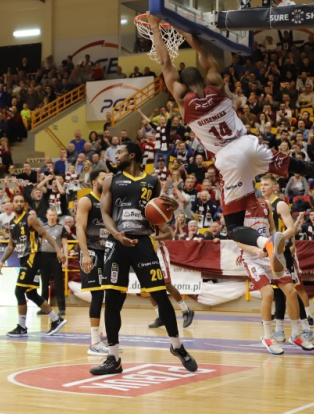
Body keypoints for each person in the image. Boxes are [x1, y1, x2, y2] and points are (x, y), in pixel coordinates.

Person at [147, 14, 314, 281]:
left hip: (227, 158)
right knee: (302, 167)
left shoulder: (181, 99)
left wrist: (156, 26)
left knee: (235, 226)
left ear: (181, 83)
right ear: (203, 76)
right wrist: (184, 25)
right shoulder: (216, 83)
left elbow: (165, 61)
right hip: (248, 144)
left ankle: (266, 243)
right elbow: (202, 48)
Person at [93, 141, 197, 375]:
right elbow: (105, 214)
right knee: (112, 300)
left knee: (161, 295)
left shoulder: (153, 182)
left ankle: (178, 346)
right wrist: (117, 236)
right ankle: (114, 358)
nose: (115, 155)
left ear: (132, 155)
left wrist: (170, 209)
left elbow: (159, 215)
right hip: (117, 243)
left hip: (143, 243)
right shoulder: (110, 180)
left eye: (119, 152)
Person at [236, 193, 313, 355]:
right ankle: (268, 336)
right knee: (269, 293)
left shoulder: (265, 205)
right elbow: (237, 238)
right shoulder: (238, 209)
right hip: (252, 257)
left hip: (268, 253)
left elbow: (272, 230)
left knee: (291, 292)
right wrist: (255, 250)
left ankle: (296, 334)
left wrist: (274, 246)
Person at [0, 195, 67, 337]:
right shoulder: (11, 223)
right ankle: (56, 319)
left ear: (25, 204)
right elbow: (11, 245)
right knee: (31, 293)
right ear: (12, 204)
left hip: (33, 256)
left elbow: (45, 234)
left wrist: (58, 250)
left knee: (18, 291)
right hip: (24, 258)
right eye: (16, 201)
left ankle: (21, 327)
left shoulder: (30, 218)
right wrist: (2, 260)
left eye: (21, 201)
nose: (19, 203)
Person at [260, 174, 314, 344]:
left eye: (266, 184)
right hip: (270, 253)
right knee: (276, 292)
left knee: (291, 291)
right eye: (261, 184)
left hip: (282, 252)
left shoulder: (280, 204)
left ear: (274, 187)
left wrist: (276, 240)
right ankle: (278, 330)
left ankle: (305, 327)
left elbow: (291, 229)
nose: (262, 187)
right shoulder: (261, 205)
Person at [75, 169, 110, 355]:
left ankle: (107, 339)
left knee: (110, 295)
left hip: (108, 251)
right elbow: (79, 227)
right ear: (94, 181)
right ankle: (94, 342)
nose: (107, 181)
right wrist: (85, 254)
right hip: (93, 251)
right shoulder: (86, 200)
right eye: (104, 179)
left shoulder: (108, 200)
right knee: (97, 295)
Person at [37, 209, 68, 316]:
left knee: (59, 283)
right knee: (44, 284)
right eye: (50, 215)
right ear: (46, 215)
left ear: (56, 216)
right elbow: (39, 245)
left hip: (56, 257)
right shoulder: (43, 228)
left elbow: (65, 244)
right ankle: (45, 308)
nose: (52, 217)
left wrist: (66, 259)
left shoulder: (61, 228)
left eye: (54, 215)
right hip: (44, 257)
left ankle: (62, 308)